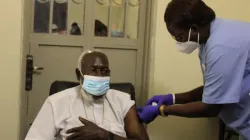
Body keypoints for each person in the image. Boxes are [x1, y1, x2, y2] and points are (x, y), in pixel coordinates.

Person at [137, 0, 250, 139]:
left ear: (194, 29)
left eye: (180, 36)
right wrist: (172, 98)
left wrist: (162, 110)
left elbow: (211, 107)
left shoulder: (220, 47)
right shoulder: (208, 38)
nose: (178, 41)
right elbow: (212, 89)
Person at [25, 50, 149, 140]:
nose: (100, 76)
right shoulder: (57, 102)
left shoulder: (122, 101)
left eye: (104, 71)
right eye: (93, 70)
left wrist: (106, 136)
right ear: (79, 75)